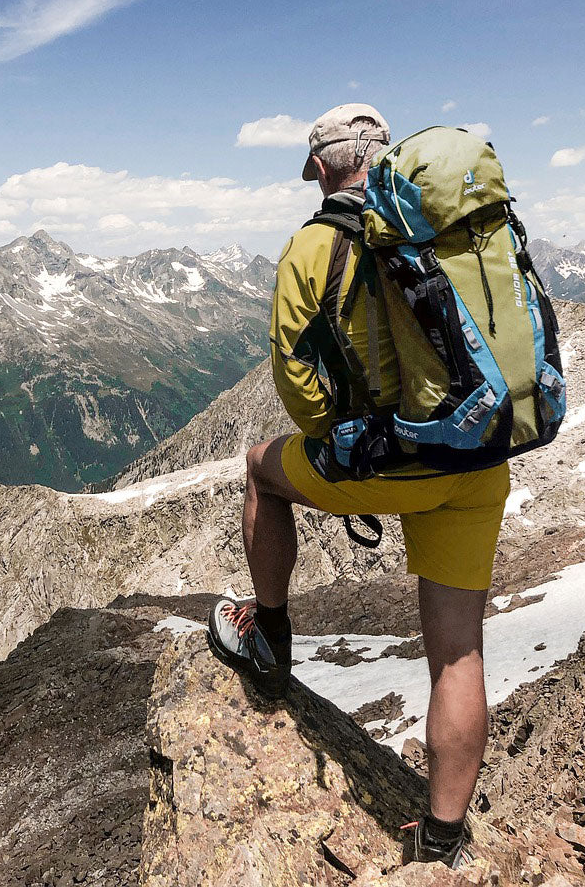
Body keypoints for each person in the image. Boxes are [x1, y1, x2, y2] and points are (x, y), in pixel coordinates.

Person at [207, 103, 511, 869]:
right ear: (384, 154)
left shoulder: (313, 247)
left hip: (389, 462)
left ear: (320, 167)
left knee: (260, 469)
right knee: (458, 655)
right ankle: (441, 842)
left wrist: (344, 436)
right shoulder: (448, 226)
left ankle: (268, 639)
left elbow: (296, 379)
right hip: (478, 460)